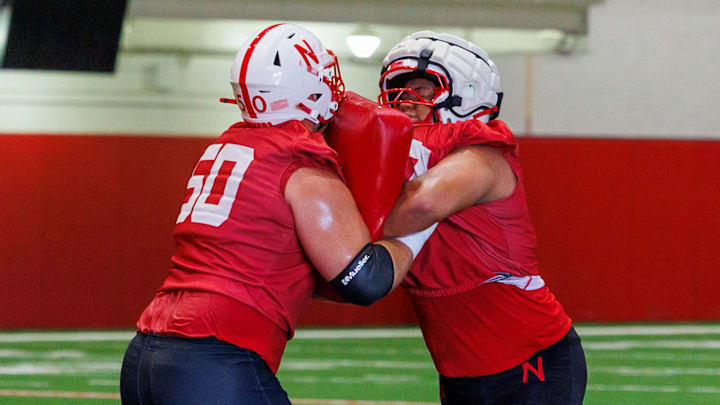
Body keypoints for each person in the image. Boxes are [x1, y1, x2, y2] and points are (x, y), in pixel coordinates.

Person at [119, 23, 434, 405]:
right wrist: (423, 214)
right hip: (213, 357)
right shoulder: (300, 162)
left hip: (146, 356)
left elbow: (305, 274)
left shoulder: (227, 145)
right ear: (310, 90)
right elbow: (363, 278)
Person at [378, 31, 587, 404]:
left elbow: (420, 206)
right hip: (461, 370)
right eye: (398, 92)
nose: (405, 104)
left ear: (467, 92)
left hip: (528, 358)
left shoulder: (483, 154)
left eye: (424, 91)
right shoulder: (406, 162)